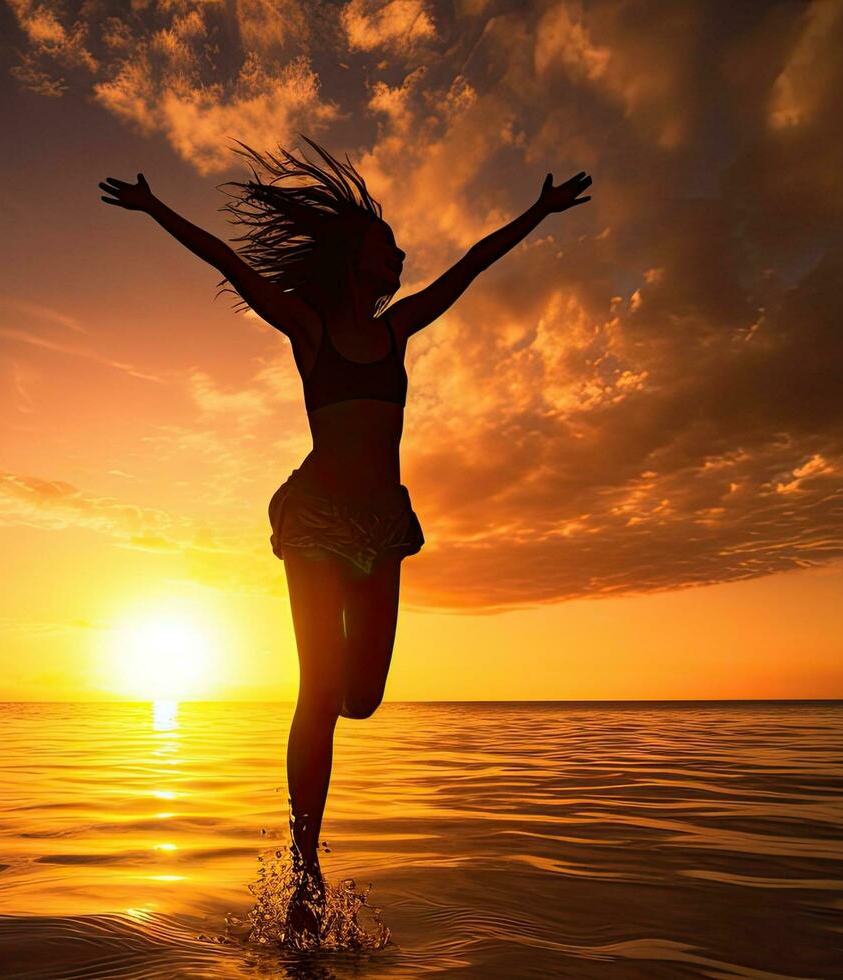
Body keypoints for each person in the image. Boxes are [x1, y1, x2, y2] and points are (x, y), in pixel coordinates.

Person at [100, 140, 591, 937]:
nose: (397, 253)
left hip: (380, 526)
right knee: (319, 690)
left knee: (360, 698)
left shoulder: (398, 330)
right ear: (355, 261)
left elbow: (470, 267)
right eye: (385, 243)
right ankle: (305, 867)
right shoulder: (308, 329)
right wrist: (157, 209)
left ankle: (309, 845)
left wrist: (536, 213)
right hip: (317, 523)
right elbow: (230, 263)